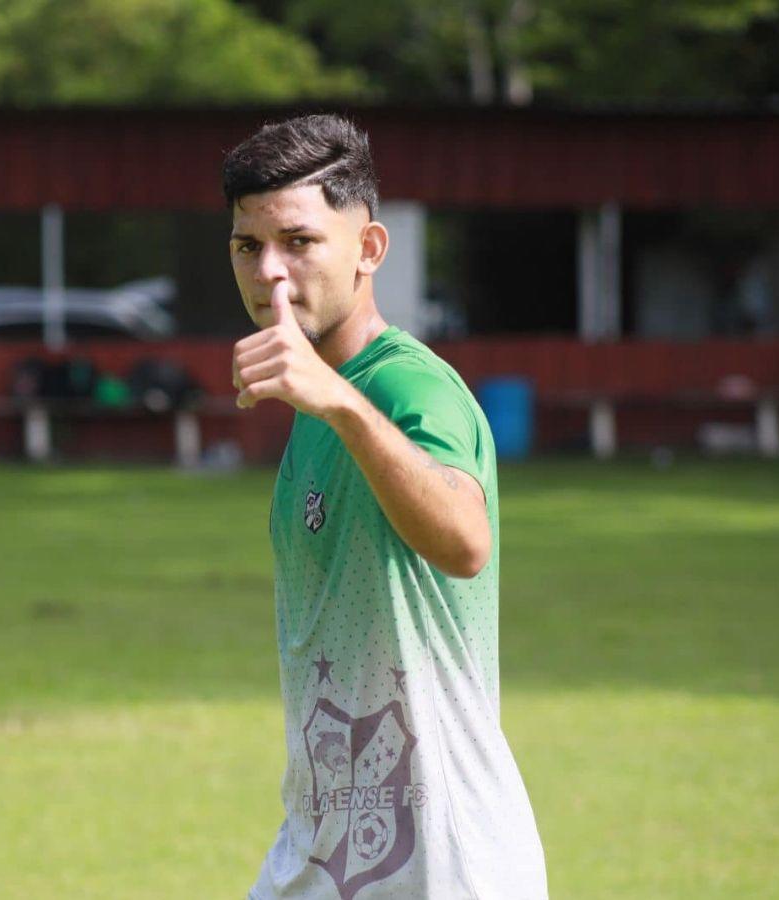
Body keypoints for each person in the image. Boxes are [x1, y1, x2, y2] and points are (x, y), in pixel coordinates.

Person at [224, 114, 547, 900]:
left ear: (368, 248)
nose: (269, 271)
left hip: (444, 859)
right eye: (247, 245)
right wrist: (328, 401)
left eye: (298, 241)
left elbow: (465, 540)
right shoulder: (316, 408)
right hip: (326, 847)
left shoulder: (408, 385)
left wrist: (340, 402)